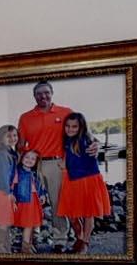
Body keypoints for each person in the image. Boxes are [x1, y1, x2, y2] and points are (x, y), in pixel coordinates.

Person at [17, 81, 99, 247]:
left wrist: (96, 144)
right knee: (29, 201)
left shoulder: (65, 112)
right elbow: (20, 145)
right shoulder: (25, 118)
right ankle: (30, 239)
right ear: (34, 96)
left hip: (57, 164)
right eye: (39, 93)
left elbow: (84, 132)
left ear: (52, 93)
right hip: (33, 165)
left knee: (57, 204)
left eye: (46, 92)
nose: (43, 96)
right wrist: (18, 169)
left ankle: (60, 239)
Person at [56, 112, 112, 253]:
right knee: (72, 214)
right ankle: (80, 237)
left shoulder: (86, 140)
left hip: (88, 180)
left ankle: (85, 241)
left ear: (81, 127)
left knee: (88, 213)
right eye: (68, 126)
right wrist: (64, 163)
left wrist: (97, 145)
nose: (70, 129)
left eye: (74, 126)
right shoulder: (67, 140)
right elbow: (68, 155)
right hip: (72, 180)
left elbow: (94, 142)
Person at [9, 148, 45, 253]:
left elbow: (40, 186)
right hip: (25, 201)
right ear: (22, 158)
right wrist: (12, 197)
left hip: (34, 200)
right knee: (28, 225)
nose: (29, 160)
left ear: (36, 161)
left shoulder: (35, 173)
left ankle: (28, 244)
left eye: (33, 159)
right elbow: (12, 185)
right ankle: (25, 247)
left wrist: (42, 195)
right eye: (27, 157)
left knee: (32, 224)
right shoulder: (18, 172)